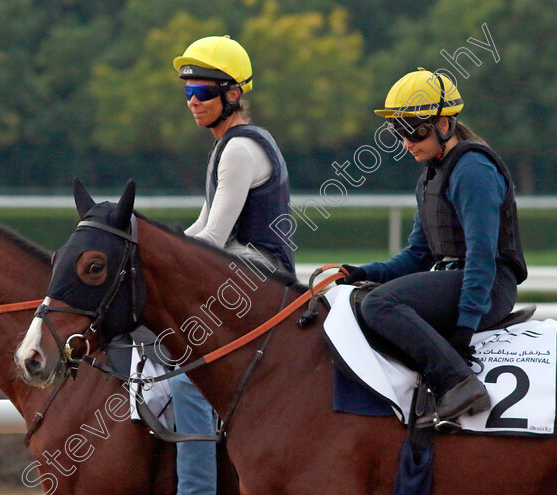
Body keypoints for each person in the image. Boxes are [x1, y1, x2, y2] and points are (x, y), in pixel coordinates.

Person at [337, 68, 527, 430]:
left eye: (414, 130)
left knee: (379, 304)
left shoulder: (473, 170)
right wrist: (362, 272)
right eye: (398, 131)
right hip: (459, 281)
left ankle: (458, 382)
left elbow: (482, 256)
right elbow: (416, 257)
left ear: (444, 124)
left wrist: (465, 326)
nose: (406, 142)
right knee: (363, 296)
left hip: (488, 287)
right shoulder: (431, 174)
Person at [169, 35, 295, 494]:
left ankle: (197, 489)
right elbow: (199, 230)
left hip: (257, 277)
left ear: (233, 94)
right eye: (187, 92)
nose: (193, 102)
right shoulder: (226, 147)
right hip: (240, 272)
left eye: (202, 92)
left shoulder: (240, 150)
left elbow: (213, 240)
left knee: (185, 369)